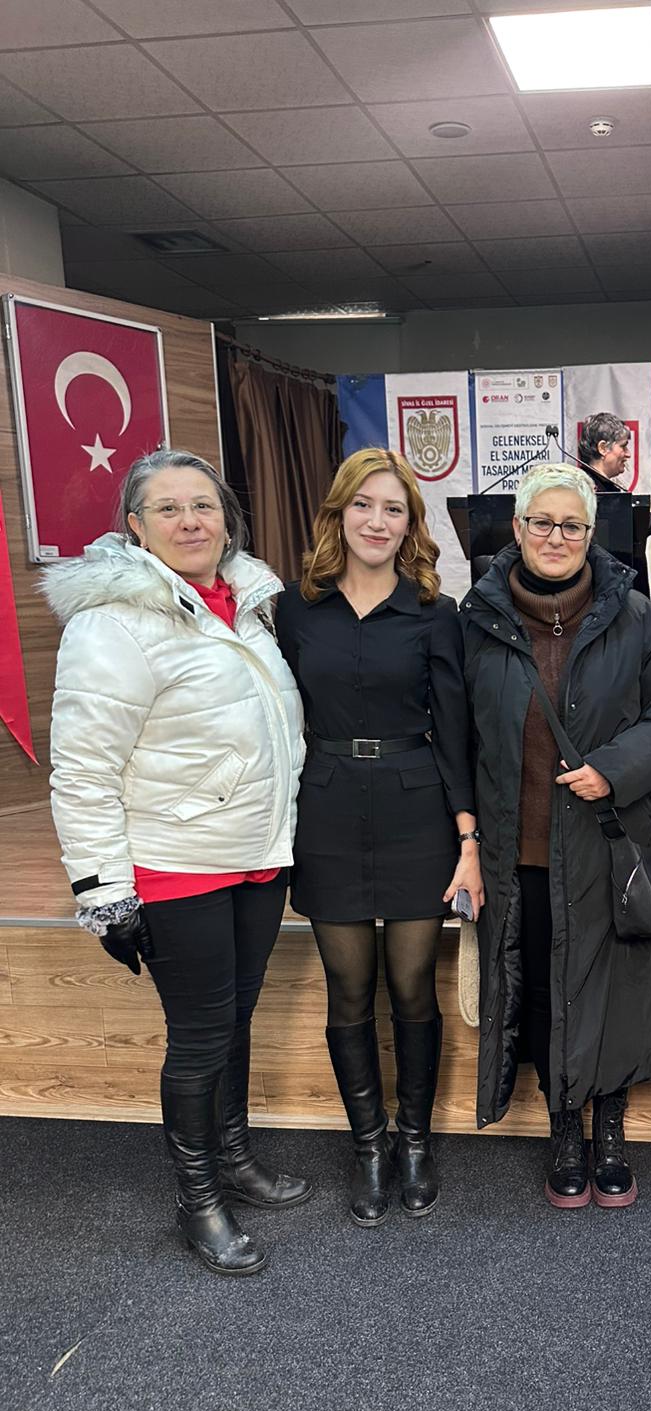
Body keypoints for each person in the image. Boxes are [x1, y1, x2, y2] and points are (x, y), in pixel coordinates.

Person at [43, 449, 307, 1278]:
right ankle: (199, 1200)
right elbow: (83, 771)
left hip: (254, 858)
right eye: (168, 508)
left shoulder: (247, 604)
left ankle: (235, 1160)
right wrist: (104, 892)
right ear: (134, 526)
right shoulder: (113, 623)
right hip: (174, 865)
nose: (191, 521)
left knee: (235, 1020)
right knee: (199, 1039)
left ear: (227, 518)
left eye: (204, 505)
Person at [461, 463, 651, 1207]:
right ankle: (565, 1129)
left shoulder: (636, 616)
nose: (555, 537)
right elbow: (461, 733)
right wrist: (468, 842)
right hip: (521, 849)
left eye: (572, 525)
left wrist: (612, 770)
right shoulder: (479, 618)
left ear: (591, 534)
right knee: (544, 993)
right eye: (542, 522)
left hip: (610, 840)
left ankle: (610, 1131)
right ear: (517, 527)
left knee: (617, 994)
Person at [275, 448, 481, 1227]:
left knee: (412, 985)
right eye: (363, 505)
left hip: (416, 807)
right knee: (349, 989)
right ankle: (369, 1144)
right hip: (328, 807)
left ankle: (415, 1140)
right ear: (338, 514)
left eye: (393, 508)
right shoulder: (295, 610)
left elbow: (455, 730)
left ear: (410, 525)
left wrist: (468, 839)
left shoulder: (435, 612)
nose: (377, 520)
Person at [577, 412, 631, 494]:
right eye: (623, 446)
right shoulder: (579, 491)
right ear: (603, 448)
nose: (628, 454)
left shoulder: (608, 489)